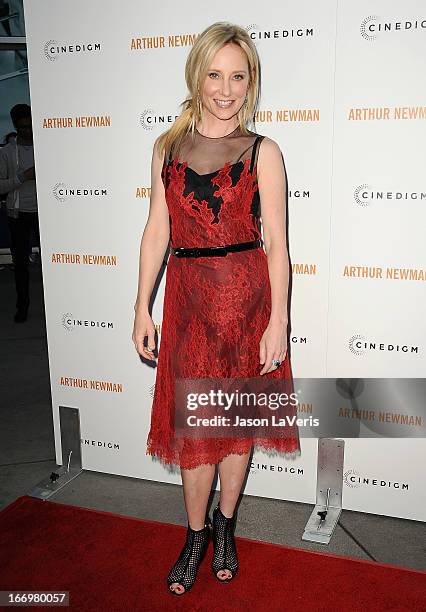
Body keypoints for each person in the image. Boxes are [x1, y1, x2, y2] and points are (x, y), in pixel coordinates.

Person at [132, 21, 300, 595]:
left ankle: (225, 527)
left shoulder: (264, 152)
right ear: (196, 75)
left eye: (238, 76)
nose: (226, 89)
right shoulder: (167, 148)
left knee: (235, 427)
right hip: (188, 303)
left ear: (251, 82)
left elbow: (276, 243)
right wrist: (140, 307)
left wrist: (278, 321)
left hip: (249, 302)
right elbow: (157, 231)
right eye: (215, 74)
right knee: (196, 431)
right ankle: (195, 534)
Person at [0, 104, 40, 322]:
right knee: (21, 265)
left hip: (45, 214)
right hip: (18, 215)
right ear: (16, 126)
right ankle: (22, 307)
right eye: (23, 127)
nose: (28, 131)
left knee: (53, 265)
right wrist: (23, 177)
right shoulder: (6, 152)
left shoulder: (45, 146)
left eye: (30, 126)